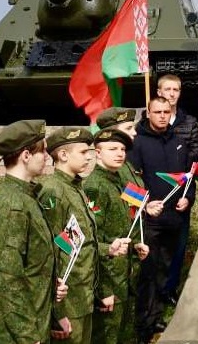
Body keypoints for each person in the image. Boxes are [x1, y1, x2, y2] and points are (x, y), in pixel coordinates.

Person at [0, 120, 68, 344]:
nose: (47, 157)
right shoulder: (14, 206)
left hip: (36, 318)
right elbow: (8, 277)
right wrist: (28, 336)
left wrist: (51, 284)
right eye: (43, 151)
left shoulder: (28, 197)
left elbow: (32, 261)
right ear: (26, 156)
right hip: (20, 332)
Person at [129, 97, 194, 342]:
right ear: (148, 113)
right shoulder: (137, 143)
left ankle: (156, 315)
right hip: (149, 220)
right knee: (148, 273)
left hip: (173, 218)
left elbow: (188, 176)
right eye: (157, 112)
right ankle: (143, 325)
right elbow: (130, 181)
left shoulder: (178, 141)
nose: (163, 116)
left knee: (163, 270)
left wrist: (188, 198)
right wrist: (145, 205)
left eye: (167, 112)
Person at [85, 129, 158, 344]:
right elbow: (93, 241)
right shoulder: (95, 186)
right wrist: (103, 290)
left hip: (124, 275)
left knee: (123, 334)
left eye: (123, 149)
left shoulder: (117, 180)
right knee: (107, 336)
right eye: (112, 149)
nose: (120, 154)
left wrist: (135, 245)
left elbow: (121, 226)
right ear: (98, 153)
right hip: (109, 280)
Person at [38, 126, 107, 344]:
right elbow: (50, 252)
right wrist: (56, 312)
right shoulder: (53, 191)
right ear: (63, 155)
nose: (89, 157)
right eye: (83, 152)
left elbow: (83, 243)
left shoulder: (76, 187)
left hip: (83, 295)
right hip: (68, 301)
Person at [156, 73, 198, 306]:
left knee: (178, 244)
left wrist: (176, 157)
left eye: (176, 90)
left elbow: (197, 154)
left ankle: (170, 289)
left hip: (181, 191)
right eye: (167, 89)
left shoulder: (189, 122)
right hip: (156, 191)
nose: (172, 94)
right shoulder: (150, 120)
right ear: (159, 92)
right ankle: (155, 289)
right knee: (157, 246)